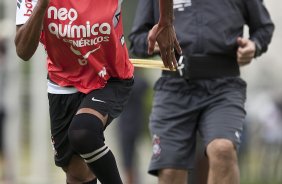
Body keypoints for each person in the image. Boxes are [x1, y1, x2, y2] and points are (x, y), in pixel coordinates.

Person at [15, 0, 181, 184]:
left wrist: (166, 22)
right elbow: (23, 51)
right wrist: (42, 5)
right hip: (62, 83)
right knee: (76, 172)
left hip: (110, 78)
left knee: (83, 132)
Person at [129, 0, 274, 184]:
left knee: (222, 149)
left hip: (223, 87)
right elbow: (137, 40)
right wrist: (153, 42)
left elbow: (264, 28)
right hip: (174, 87)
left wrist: (254, 46)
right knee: (170, 169)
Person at [117, 69, 149, 184]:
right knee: (129, 158)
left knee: (129, 158)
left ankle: (132, 180)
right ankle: (131, 180)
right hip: (130, 124)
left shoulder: (126, 83)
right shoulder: (135, 82)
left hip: (130, 125)